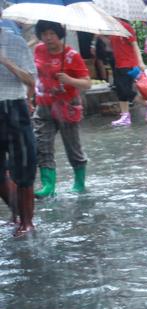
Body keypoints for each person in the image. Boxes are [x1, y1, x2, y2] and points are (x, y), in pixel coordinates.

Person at [32, 20, 91, 197]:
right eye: (44, 34)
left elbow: (87, 83)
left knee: (72, 146)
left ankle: (79, 182)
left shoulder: (71, 55)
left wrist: (70, 80)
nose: (48, 38)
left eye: (51, 33)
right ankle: (48, 185)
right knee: (43, 144)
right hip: (43, 105)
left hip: (67, 106)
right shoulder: (38, 50)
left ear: (59, 34)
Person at [0, 20, 37, 236]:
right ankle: (16, 212)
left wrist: (6, 62)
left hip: (14, 106)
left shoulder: (16, 42)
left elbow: (31, 80)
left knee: (24, 166)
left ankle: (27, 221)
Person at [106, 18, 147, 126]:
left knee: (126, 91)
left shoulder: (125, 26)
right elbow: (111, 47)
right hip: (118, 64)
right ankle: (125, 116)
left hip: (128, 64)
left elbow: (134, 44)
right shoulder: (111, 29)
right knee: (120, 92)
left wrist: (140, 62)